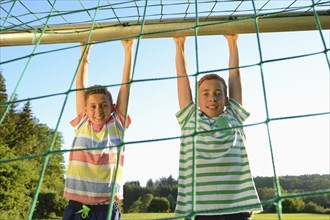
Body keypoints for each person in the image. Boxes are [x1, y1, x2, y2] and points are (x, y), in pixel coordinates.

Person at [173, 34, 263, 220]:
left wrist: (232, 42)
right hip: (200, 208)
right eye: (205, 94)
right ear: (197, 100)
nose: (212, 98)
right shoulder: (190, 118)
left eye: (217, 93)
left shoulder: (234, 115)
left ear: (226, 98)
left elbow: (234, 75)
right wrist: (180, 45)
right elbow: (182, 78)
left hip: (237, 205)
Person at [63, 39, 134, 220]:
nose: (98, 110)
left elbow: (126, 85)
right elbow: (80, 85)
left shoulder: (116, 124)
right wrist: (85, 52)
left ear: (112, 107)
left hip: (107, 208)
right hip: (78, 207)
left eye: (103, 105)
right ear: (85, 109)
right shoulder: (82, 123)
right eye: (93, 106)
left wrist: (128, 50)